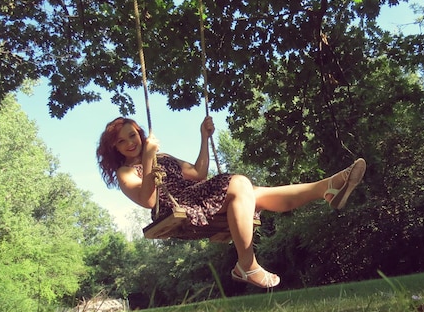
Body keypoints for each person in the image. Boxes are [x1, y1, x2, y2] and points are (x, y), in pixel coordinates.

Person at [97, 116, 366, 289]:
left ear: (140, 134)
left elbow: (199, 173)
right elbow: (148, 199)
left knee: (253, 192)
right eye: (122, 142)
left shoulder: (163, 155)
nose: (130, 142)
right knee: (240, 184)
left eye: (132, 135)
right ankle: (246, 265)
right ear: (116, 149)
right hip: (176, 205)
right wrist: (147, 160)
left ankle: (326, 189)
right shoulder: (126, 173)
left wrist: (203, 137)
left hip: (198, 193)